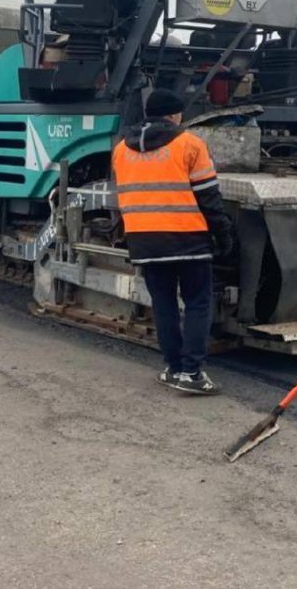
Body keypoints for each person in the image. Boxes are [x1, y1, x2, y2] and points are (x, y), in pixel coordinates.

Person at [111, 88, 235, 396]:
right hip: (186, 237)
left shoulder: (121, 150)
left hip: (144, 239)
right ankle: (192, 374)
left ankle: (173, 368)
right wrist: (223, 235)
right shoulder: (189, 144)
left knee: (163, 303)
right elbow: (209, 198)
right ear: (173, 115)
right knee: (197, 303)